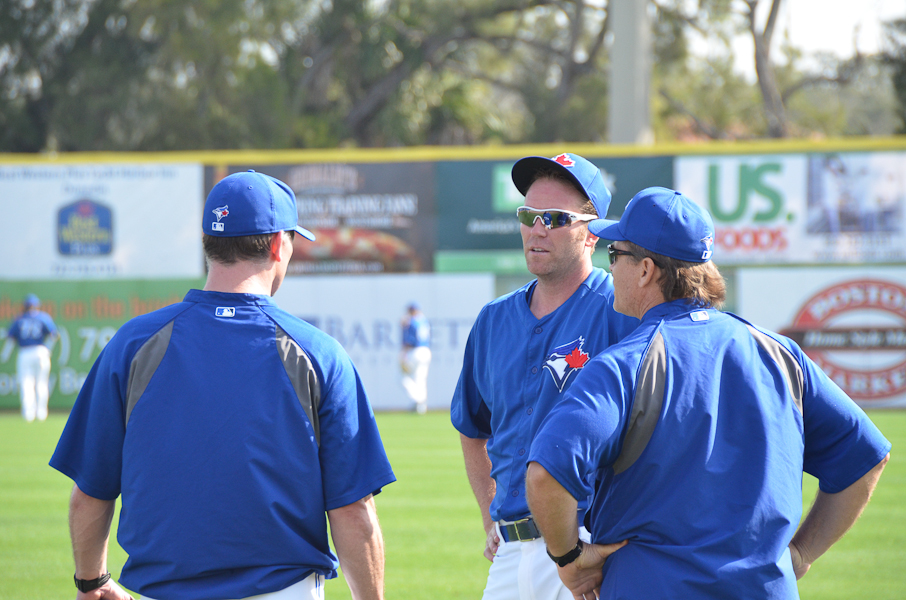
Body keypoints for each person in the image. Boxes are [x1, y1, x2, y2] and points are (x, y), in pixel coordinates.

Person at [525, 186, 891, 600]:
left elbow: (545, 474)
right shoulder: (779, 354)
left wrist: (569, 558)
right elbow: (866, 458)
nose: (611, 269)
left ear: (646, 270)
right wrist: (802, 554)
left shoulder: (625, 362)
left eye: (616, 255)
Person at [50, 170, 396, 600]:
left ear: (208, 244)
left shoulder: (132, 344)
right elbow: (352, 509)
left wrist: (92, 581)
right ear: (276, 245)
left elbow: (89, 491)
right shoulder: (318, 353)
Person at [451, 153, 638, 600]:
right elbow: (472, 428)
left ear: (592, 231)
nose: (537, 229)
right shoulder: (493, 319)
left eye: (554, 218)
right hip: (510, 551)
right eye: (528, 215)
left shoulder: (623, 311)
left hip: (592, 546)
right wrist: (488, 516)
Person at [6, 294, 58, 422]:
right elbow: (54, 335)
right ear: (37, 305)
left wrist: (5, 354)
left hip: (25, 352)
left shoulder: (19, 319)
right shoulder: (43, 317)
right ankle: (41, 413)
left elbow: (10, 337)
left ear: (25, 306)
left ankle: (29, 414)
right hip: (41, 351)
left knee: (26, 383)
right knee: (42, 383)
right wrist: (48, 349)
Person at [400, 302, 431, 414]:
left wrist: (403, 354)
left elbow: (409, 341)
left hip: (415, 351)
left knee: (402, 376)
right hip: (426, 350)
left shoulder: (411, 322)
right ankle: (421, 406)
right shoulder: (424, 321)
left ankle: (418, 399)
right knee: (420, 379)